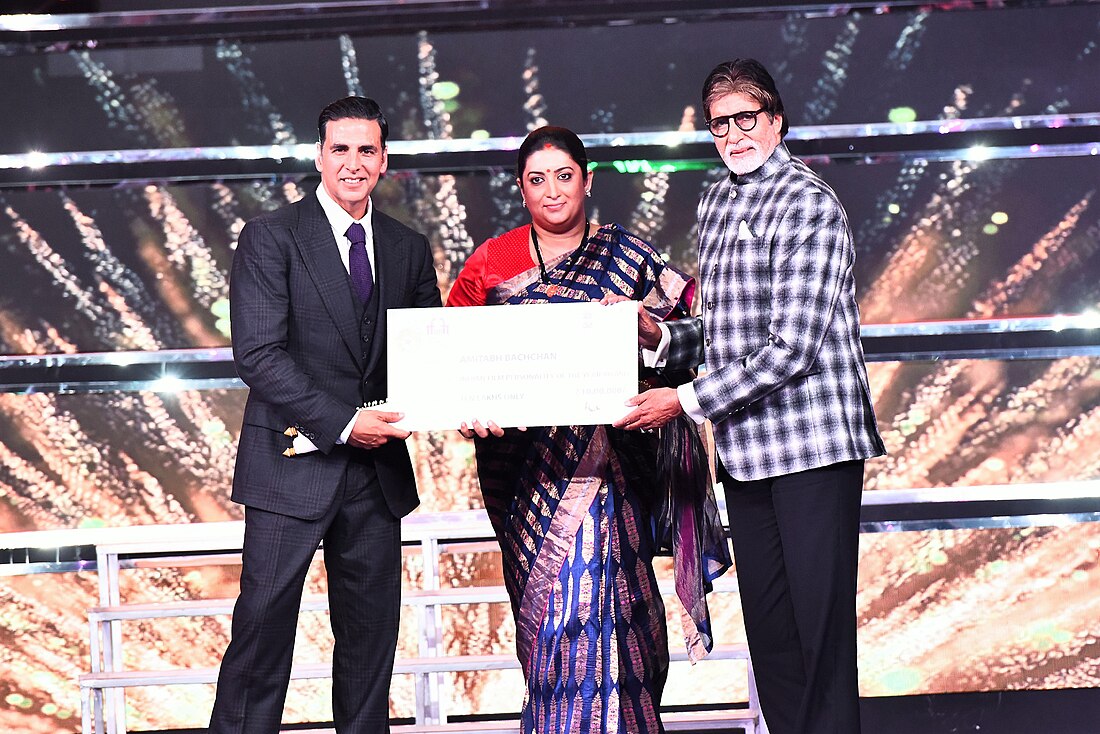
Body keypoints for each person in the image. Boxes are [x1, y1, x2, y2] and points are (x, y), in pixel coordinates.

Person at [615, 59, 886, 734]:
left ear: (776, 121)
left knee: (820, 642)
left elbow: (792, 345)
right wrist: (658, 340)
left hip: (812, 448)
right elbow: (723, 334)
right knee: (773, 641)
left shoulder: (809, 204)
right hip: (745, 452)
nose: (734, 134)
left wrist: (683, 400)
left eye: (746, 118)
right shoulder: (716, 201)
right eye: (720, 123)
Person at [446, 126, 731, 734]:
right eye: (536, 180)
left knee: (613, 619)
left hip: (611, 473)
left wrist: (648, 332)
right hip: (526, 481)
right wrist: (468, 412)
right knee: (550, 628)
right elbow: (451, 359)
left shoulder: (630, 256)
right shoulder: (491, 263)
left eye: (564, 176)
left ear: (588, 180)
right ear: (521, 190)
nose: (552, 191)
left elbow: (697, 333)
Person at [208, 96, 441, 734]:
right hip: (288, 470)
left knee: (370, 651)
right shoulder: (270, 236)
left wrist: (442, 399)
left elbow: (428, 355)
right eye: (340, 149)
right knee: (260, 635)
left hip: (376, 479)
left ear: (384, 159)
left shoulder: (407, 248)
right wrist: (344, 422)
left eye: (367, 150)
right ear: (319, 155)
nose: (353, 162)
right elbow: (258, 355)